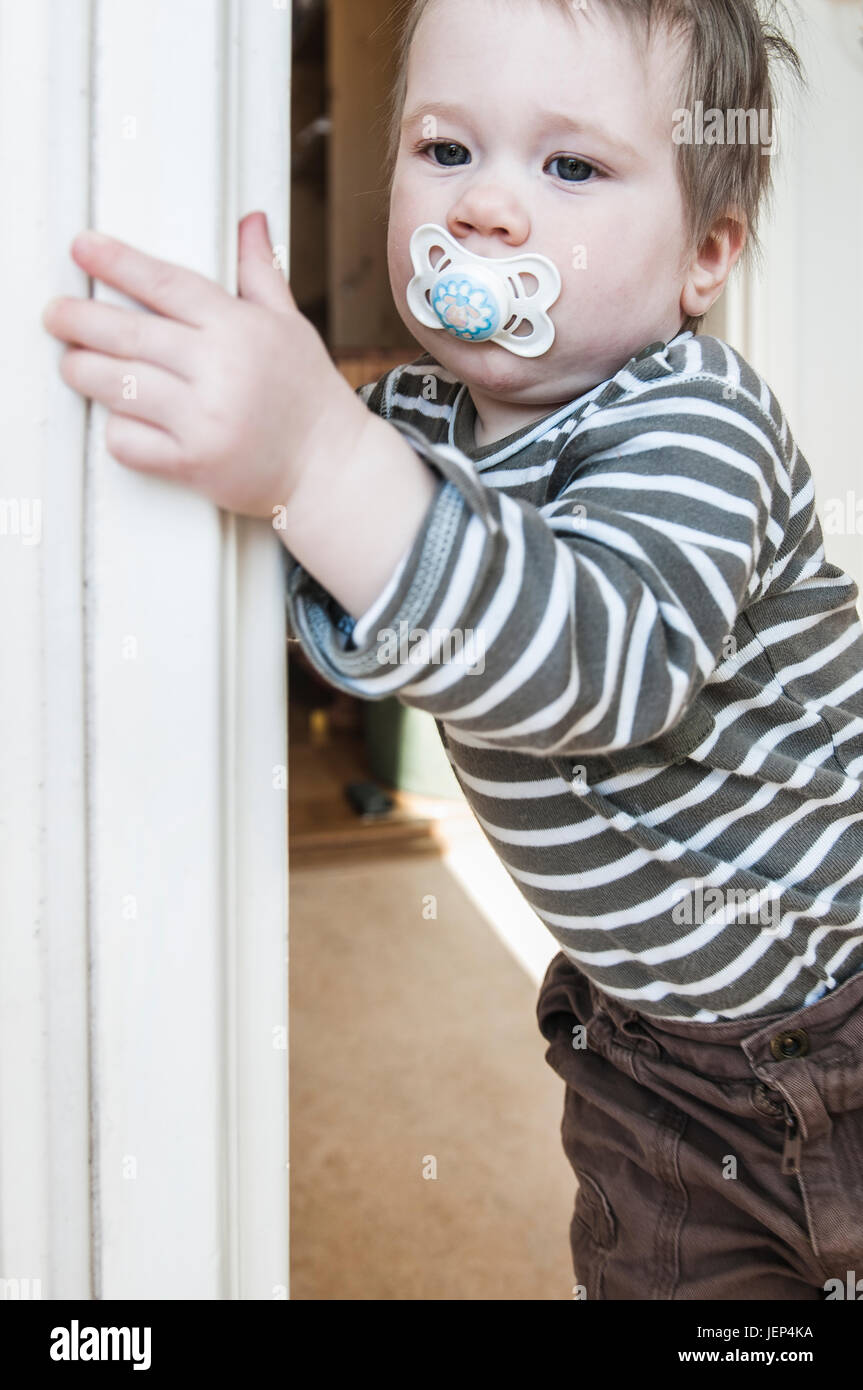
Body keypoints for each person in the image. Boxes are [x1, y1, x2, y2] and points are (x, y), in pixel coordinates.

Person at [43, 0, 863, 1300]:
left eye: (571, 166)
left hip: (833, 1025)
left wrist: (319, 459)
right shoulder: (413, 419)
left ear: (706, 253)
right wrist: (289, 453)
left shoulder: (698, 423)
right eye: (444, 150)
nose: (485, 209)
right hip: (645, 1053)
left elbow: (598, 660)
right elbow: (363, 619)